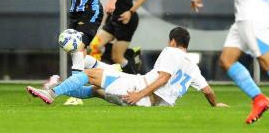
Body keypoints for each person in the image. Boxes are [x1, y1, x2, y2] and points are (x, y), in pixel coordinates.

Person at [27, 27, 228, 108]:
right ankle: (60, 86)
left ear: (173, 41)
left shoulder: (170, 51)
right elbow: (208, 91)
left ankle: (52, 92)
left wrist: (139, 94)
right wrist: (216, 105)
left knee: (88, 73)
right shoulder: (193, 67)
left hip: (135, 90)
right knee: (95, 90)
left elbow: (163, 79)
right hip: (148, 104)